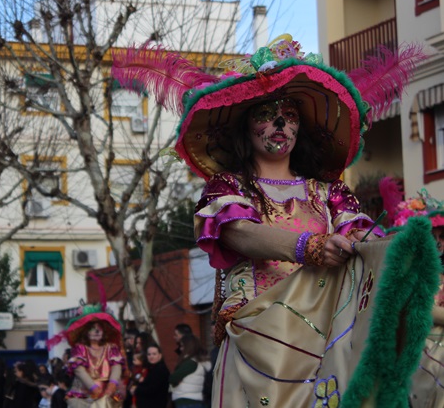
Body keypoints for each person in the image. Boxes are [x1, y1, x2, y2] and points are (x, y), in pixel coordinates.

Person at [112, 36, 438, 406]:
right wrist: (310, 246)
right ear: (245, 128)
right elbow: (239, 233)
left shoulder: (328, 192)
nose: (280, 122)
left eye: (290, 115)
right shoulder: (227, 187)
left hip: (323, 343)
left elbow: (362, 236)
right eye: (266, 114)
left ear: (301, 129)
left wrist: (403, 250)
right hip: (259, 341)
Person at [380, 182, 444, 407]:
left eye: (441, 236)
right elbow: (420, 307)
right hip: (417, 343)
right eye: (430, 236)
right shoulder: (407, 274)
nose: (437, 243)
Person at [47, 301, 125, 407]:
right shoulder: (80, 348)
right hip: (83, 395)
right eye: (92, 328)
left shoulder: (111, 347)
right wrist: (93, 387)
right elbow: (79, 369)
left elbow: (116, 366)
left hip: (107, 393)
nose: (97, 331)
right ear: (85, 331)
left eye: (99, 328)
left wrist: (112, 384)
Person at [169, 335, 212, 408]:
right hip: (194, 399)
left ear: (188, 347)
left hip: (186, 399)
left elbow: (172, 378)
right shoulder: (198, 362)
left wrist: (176, 380)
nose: (181, 349)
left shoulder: (190, 363)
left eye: (182, 346)